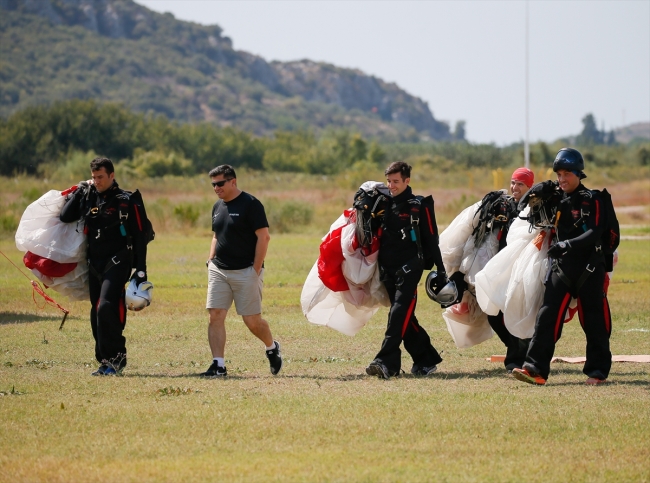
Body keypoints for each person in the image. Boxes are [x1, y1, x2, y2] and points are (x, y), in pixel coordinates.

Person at [513, 148, 612, 386]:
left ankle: (597, 372)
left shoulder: (592, 199)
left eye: (567, 173)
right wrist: (535, 195)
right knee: (546, 317)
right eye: (559, 174)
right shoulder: (556, 198)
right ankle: (535, 369)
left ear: (579, 173)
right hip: (562, 268)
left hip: (589, 268)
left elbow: (594, 232)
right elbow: (526, 214)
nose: (562, 178)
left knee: (594, 320)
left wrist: (567, 243)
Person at [60, 157, 148, 375]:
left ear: (112, 175)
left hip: (118, 261)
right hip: (94, 263)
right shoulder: (89, 197)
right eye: (93, 177)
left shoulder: (127, 200)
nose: (97, 181)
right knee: (95, 312)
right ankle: (104, 360)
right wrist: (80, 191)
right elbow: (65, 217)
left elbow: (140, 235)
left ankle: (116, 358)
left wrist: (141, 269)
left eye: (100, 177)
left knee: (106, 307)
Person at [200, 164, 282, 377]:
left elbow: (264, 237)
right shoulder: (217, 207)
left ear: (233, 181)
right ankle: (218, 365)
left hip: (246, 271)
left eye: (220, 183)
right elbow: (216, 235)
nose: (216, 188)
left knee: (252, 322)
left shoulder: (251, 204)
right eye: (213, 184)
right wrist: (211, 260)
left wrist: (255, 270)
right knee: (215, 315)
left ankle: (272, 347)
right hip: (219, 269)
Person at [366, 162, 445, 379]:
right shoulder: (382, 204)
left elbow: (431, 239)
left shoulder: (419, 205)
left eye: (396, 181)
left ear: (407, 181)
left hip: (410, 269)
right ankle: (426, 359)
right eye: (389, 181)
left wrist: (441, 270)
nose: (391, 186)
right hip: (387, 269)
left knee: (398, 312)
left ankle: (385, 362)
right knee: (405, 318)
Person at [486, 167, 534, 372]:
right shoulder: (504, 206)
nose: (515, 187)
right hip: (504, 265)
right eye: (513, 182)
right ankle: (520, 350)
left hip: (524, 266)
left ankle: (515, 358)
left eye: (520, 184)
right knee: (493, 312)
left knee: (517, 310)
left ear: (529, 186)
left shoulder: (534, 207)